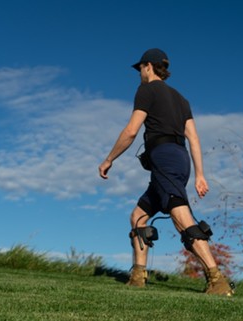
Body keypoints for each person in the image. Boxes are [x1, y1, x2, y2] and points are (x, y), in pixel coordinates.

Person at [98, 48, 233, 296]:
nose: (139, 72)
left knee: (180, 214)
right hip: (180, 159)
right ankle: (138, 277)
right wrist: (200, 175)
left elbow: (131, 131)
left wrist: (109, 159)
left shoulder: (147, 90)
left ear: (148, 66)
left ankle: (217, 280)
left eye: (140, 68)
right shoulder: (181, 99)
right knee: (138, 216)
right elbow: (194, 138)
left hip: (164, 158)